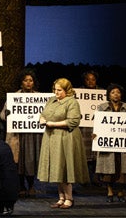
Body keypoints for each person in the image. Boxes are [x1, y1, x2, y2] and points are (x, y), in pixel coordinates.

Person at [38, 78, 85, 209]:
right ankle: (61, 197)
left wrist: (53, 124)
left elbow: (73, 121)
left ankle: (69, 198)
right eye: (55, 90)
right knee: (56, 168)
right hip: (51, 138)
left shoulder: (72, 102)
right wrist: (42, 119)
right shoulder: (51, 100)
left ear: (67, 90)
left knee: (64, 169)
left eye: (59, 90)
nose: (56, 92)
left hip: (65, 137)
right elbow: (43, 114)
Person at [94, 84, 126, 203]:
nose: (116, 94)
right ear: (109, 95)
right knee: (108, 169)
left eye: (118, 92)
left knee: (122, 168)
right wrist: (95, 134)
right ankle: (110, 192)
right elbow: (98, 123)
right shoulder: (102, 107)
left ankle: (121, 193)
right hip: (108, 144)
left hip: (122, 144)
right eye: (113, 92)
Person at [6, 73, 42, 196]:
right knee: (19, 161)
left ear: (34, 82)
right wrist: (7, 113)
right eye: (25, 80)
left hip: (32, 135)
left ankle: (31, 186)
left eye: (31, 80)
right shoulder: (14, 97)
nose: (28, 82)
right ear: (21, 82)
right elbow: (2, 115)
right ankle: (21, 186)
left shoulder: (39, 97)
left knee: (30, 160)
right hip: (18, 134)